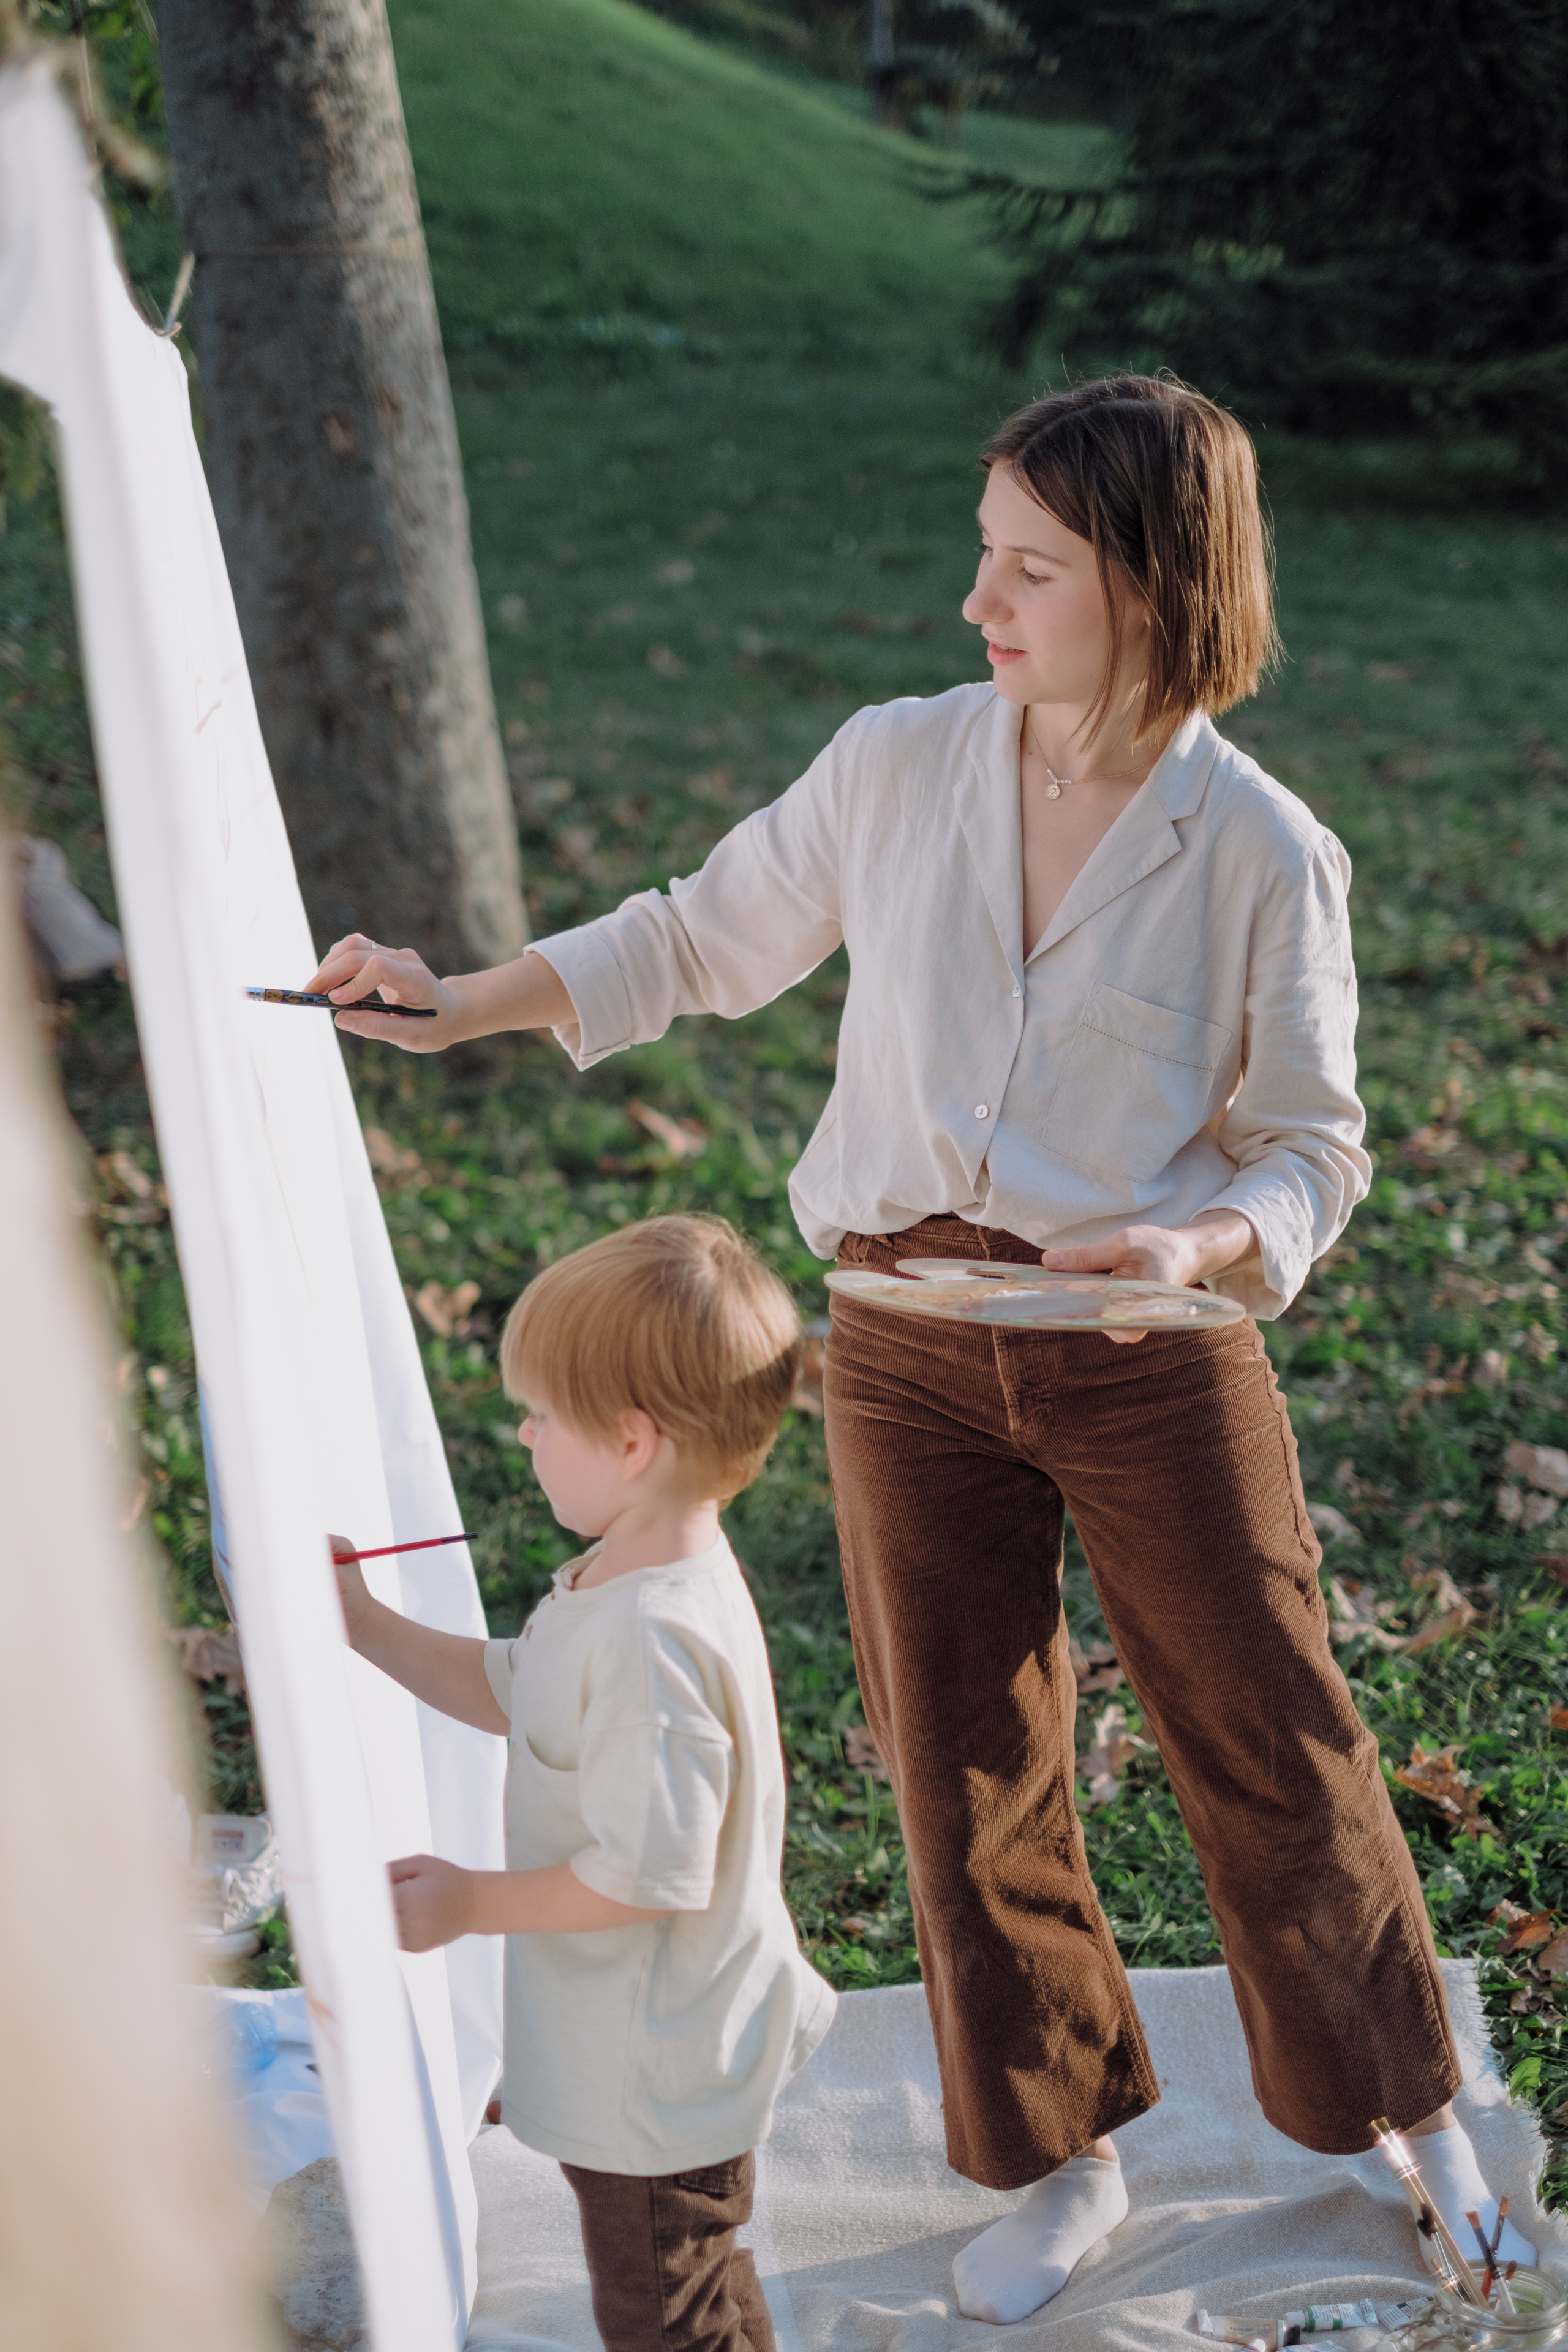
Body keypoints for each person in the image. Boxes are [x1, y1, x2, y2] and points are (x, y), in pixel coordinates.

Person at [308, 375, 1532, 2324]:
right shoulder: (895, 763)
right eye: (984, 555)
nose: (979, 602)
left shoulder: (1261, 849)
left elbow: (1315, 1148)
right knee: (962, 1764)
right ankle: (1060, 2155)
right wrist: (452, 1003)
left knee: (1270, 1737)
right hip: (897, 1342)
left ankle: (1414, 2120)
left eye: (1030, 569)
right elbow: (692, 939)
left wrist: (1198, 1240)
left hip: (1143, 1342)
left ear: (1154, 586)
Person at [333, 1213, 834, 2352]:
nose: (523, 1433)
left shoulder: (656, 1644)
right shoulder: (622, 1575)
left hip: (659, 2069)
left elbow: (644, 1876)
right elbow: (518, 1687)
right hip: (642, 2040)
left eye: (544, 1416)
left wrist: (470, 1902)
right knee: (698, 2280)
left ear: (631, 1443)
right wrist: (365, 1626)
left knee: (664, 2314)